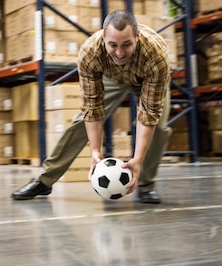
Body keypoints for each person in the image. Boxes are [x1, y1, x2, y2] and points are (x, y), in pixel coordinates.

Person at [12, 10, 171, 204]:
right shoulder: (90, 52)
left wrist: (137, 159)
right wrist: (95, 151)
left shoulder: (156, 54)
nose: (120, 53)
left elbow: (148, 113)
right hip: (112, 77)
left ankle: (145, 186)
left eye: (127, 44)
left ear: (137, 37)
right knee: (81, 122)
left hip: (147, 78)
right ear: (103, 37)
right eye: (113, 45)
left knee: (159, 128)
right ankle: (44, 180)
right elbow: (92, 106)